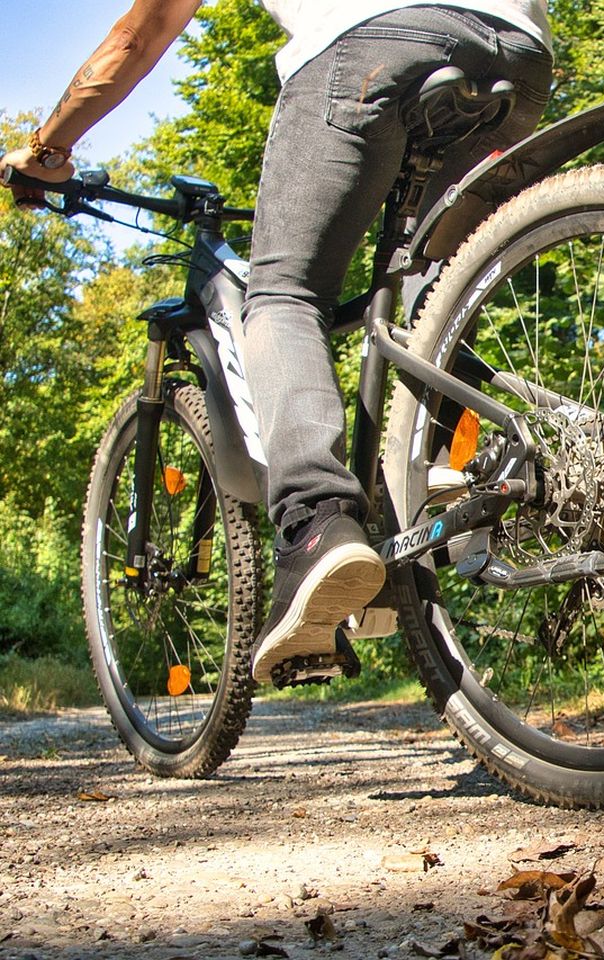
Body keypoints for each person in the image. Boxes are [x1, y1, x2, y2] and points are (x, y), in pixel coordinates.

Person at [1, 0, 554, 685]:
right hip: (519, 53)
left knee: (284, 295)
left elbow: (138, 37)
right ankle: (438, 479)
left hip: (376, 43)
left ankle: (319, 524)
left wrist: (48, 149)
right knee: (431, 301)